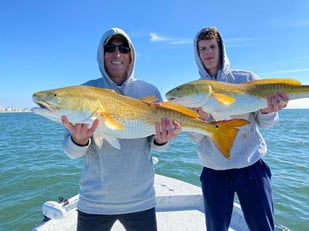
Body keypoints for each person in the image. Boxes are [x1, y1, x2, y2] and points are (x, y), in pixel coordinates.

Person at [61, 27, 180, 231]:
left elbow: (157, 145)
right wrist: (79, 140)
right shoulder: (85, 92)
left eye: (123, 48)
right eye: (110, 48)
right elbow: (70, 152)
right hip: (94, 202)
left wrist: (162, 140)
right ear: (102, 53)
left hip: (141, 200)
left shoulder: (149, 91)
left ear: (131, 55)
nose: (117, 54)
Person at [187, 27, 289, 231]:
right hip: (214, 170)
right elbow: (196, 139)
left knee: (264, 227)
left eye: (212, 47)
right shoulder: (192, 91)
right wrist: (201, 119)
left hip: (251, 165)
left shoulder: (247, 78)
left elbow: (265, 124)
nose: (208, 52)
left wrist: (269, 111)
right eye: (203, 49)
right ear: (197, 54)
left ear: (221, 49)